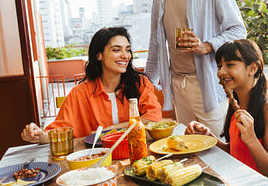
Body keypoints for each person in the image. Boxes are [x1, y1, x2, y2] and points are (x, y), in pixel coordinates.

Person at [145, 0, 246, 138]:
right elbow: (155, 46)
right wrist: (144, 85)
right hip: (176, 87)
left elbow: (238, 30)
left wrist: (207, 45)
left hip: (209, 86)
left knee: (217, 146)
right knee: (187, 147)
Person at [21, 27, 162, 143]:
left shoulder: (140, 83)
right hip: (96, 157)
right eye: (116, 50)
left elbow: (153, 119)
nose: (125, 55)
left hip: (137, 148)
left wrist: (108, 129)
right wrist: (38, 134)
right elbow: (61, 130)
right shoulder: (80, 92)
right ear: (98, 55)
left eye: (127, 49)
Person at [185, 39, 268, 182]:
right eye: (219, 66)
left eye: (230, 65)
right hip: (237, 180)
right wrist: (208, 136)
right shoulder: (235, 102)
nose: (221, 72)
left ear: (252, 68)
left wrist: (252, 140)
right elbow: (235, 152)